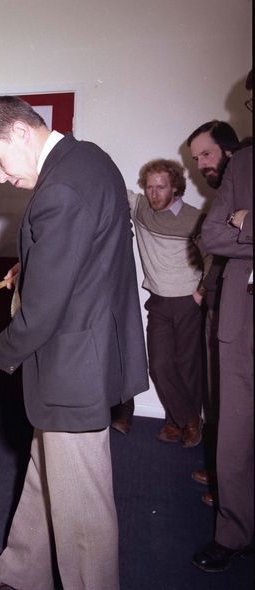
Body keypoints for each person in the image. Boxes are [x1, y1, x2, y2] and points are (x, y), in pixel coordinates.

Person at [0, 96, 148, 590]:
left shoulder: (59, 188)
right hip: (85, 352)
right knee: (47, 472)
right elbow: (86, 255)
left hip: (73, 366)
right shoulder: (88, 159)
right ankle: (23, 572)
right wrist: (37, 264)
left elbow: (44, 311)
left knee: (83, 511)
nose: (0, 177)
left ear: (22, 132)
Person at [192, 70, 253, 573]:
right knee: (235, 428)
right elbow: (213, 235)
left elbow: (233, 231)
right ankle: (235, 531)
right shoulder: (246, 164)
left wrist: (248, 223)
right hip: (243, 315)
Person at [114, 159, 208, 447]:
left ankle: (175, 422)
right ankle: (190, 419)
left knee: (187, 367)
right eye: (150, 187)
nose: (154, 194)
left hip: (188, 301)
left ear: (175, 188)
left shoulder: (195, 218)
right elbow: (115, 185)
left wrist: (200, 292)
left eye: (161, 187)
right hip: (159, 301)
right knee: (160, 364)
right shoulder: (142, 208)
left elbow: (214, 257)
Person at [185, 120, 241, 505]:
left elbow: (219, 240)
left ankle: (233, 487)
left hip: (239, 306)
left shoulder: (242, 181)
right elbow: (215, 243)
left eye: (207, 154)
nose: (202, 164)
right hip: (218, 302)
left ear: (229, 152)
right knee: (218, 394)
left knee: (236, 401)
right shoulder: (224, 194)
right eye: (196, 159)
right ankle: (225, 475)